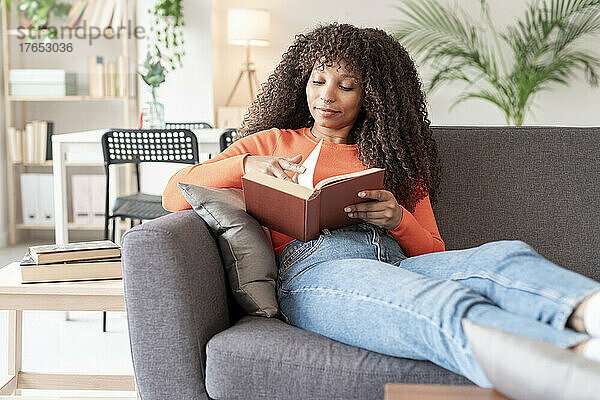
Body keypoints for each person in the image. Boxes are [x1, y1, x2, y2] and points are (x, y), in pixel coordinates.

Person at [162, 23, 600, 386]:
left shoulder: (393, 159)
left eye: (346, 86)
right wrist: (246, 164)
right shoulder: (272, 142)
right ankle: (574, 365)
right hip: (315, 270)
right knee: (435, 302)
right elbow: (173, 194)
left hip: (396, 263)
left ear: (372, 96)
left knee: (504, 257)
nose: (326, 96)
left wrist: (398, 219)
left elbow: (434, 251)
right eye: (318, 81)